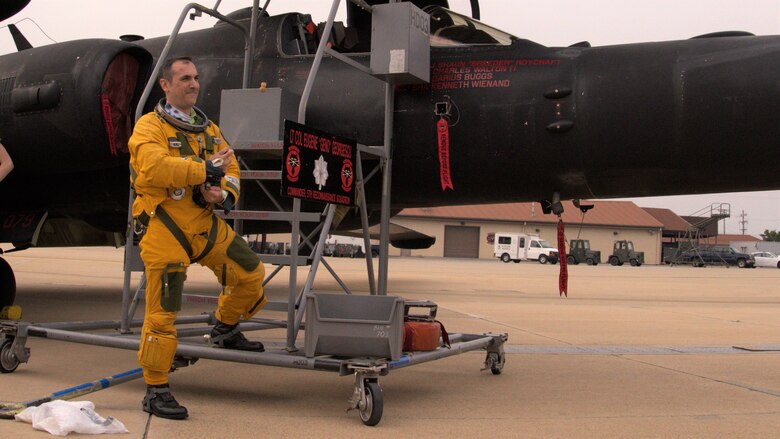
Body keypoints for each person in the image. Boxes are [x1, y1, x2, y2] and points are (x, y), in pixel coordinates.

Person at [128, 57, 267, 420]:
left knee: (251, 274)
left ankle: (225, 326)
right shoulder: (149, 127)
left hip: (205, 224)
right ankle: (156, 388)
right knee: (163, 311)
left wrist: (223, 194)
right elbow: (154, 167)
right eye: (185, 78)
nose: (193, 84)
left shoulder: (208, 130)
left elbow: (231, 166)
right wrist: (203, 170)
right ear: (166, 85)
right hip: (165, 225)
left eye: (195, 78)